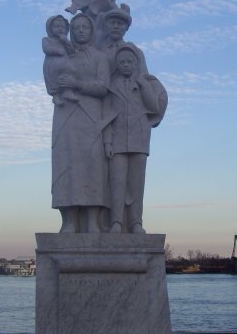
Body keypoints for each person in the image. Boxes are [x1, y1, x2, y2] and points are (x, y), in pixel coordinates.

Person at [50, 14, 110, 233]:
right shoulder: (62, 55)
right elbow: (51, 79)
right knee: (66, 166)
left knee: (93, 166)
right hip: (66, 115)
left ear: (91, 30)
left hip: (91, 117)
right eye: (77, 27)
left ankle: (93, 220)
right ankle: (69, 220)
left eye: (85, 27)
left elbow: (103, 86)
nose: (81, 30)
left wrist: (76, 84)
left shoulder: (100, 57)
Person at [103, 46, 167, 234]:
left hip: (139, 140)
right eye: (122, 62)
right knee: (117, 183)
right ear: (117, 64)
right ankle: (116, 222)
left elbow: (154, 107)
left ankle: (135, 223)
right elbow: (106, 117)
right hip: (117, 141)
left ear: (136, 64)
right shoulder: (111, 86)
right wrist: (107, 142)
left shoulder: (144, 84)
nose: (126, 65)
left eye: (129, 62)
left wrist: (144, 85)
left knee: (136, 185)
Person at [97, 4, 149, 75]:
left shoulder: (136, 52)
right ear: (106, 25)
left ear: (126, 28)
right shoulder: (97, 48)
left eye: (120, 24)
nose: (116, 26)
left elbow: (144, 77)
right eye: (112, 23)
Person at [42, 15, 78, 105]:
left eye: (62, 27)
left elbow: (72, 51)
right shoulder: (47, 40)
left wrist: (66, 42)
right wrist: (57, 50)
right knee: (53, 79)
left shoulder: (65, 41)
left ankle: (67, 91)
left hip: (66, 64)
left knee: (69, 74)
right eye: (57, 26)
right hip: (52, 64)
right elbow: (46, 49)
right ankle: (55, 96)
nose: (60, 29)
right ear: (50, 28)